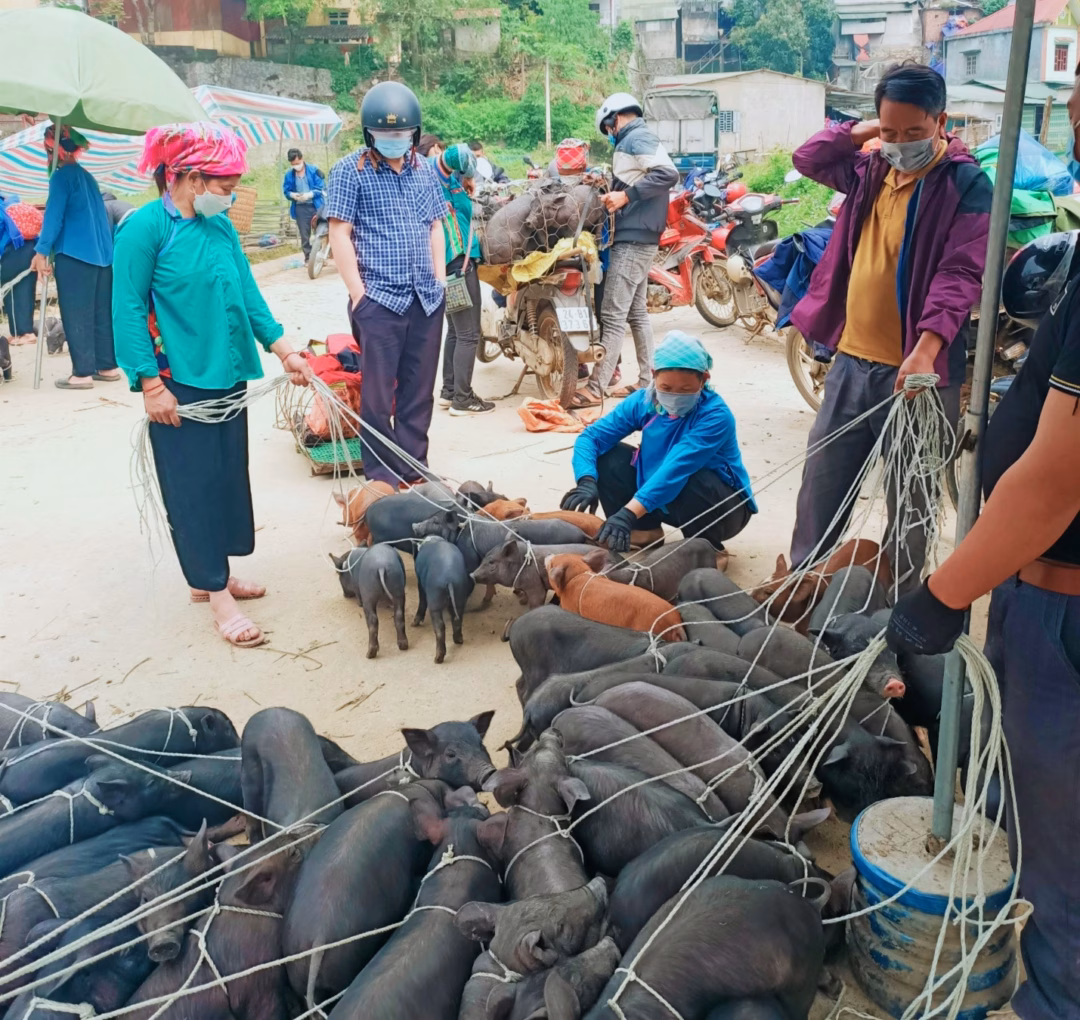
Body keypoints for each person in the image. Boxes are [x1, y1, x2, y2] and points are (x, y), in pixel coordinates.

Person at [886, 232, 1080, 1020]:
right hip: (1038, 591)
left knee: (1055, 848)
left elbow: (1060, 477)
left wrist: (943, 593)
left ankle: (1054, 999)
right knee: (1012, 807)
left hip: (1061, 606)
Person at [787, 62, 991, 591]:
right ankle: (803, 593)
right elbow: (808, 157)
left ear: (941, 121)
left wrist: (925, 350)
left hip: (918, 376)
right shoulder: (871, 169)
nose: (902, 144)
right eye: (891, 132)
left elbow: (961, 272)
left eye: (914, 133)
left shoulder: (965, 184)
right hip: (852, 363)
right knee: (821, 490)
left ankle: (896, 614)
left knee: (912, 506)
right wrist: (868, 132)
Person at [113, 123, 312, 649]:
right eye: (226, 186)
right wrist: (151, 385)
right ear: (192, 179)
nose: (232, 195)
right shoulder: (145, 230)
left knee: (225, 476)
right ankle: (214, 593)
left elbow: (247, 291)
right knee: (192, 487)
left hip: (225, 372)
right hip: (178, 382)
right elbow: (128, 309)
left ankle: (216, 574)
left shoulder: (220, 228)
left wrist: (284, 348)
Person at [326, 81, 447, 489]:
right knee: (377, 396)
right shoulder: (349, 171)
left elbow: (435, 226)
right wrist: (360, 296)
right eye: (385, 135)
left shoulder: (425, 170)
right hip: (379, 300)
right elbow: (339, 234)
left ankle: (414, 469)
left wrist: (439, 280)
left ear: (413, 134)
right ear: (369, 135)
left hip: (425, 300)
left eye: (401, 135)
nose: (394, 141)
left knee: (419, 391)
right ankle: (381, 477)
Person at [561, 331, 755, 561]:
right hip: (663, 501)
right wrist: (586, 480)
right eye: (666, 388)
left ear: (704, 379)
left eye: (685, 390)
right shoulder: (643, 401)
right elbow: (590, 438)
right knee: (608, 457)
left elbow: (676, 468)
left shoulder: (716, 416)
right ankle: (644, 530)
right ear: (653, 375)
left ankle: (707, 550)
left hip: (721, 509)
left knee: (693, 477)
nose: (674, 396)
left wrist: (626, 513)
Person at [572, 93, 679, 408]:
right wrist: (611, 186)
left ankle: (596, 387)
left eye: (607, 129)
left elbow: (667, 174)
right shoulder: (634, 141)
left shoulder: (636, 137)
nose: (609, 135)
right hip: (641, 235)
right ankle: (648, 381)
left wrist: (626, 196)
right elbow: (638, 177)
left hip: (633, 238)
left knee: (613, 314)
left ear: (613, 119)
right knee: (636, 313)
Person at [31, 125, 119, 390]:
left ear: (51, 149)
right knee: (101, 313)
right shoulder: (86, 176)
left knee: (76, 313)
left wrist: (41, 251)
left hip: (76, 255)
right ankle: (107, 366)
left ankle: (81, 374)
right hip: (103, 257)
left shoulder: (61, 177)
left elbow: (53, 216)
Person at [432, 143, 493, 416]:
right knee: (469, 335)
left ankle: (449, 392)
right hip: (459, 265)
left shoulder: (449, 182)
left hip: (451, 267)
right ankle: (463, 400)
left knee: (457, 332)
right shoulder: (437, 185)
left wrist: (465, 185)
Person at [0, 192, 38, 349]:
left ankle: (25, 333)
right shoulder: (16, 204)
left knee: (11, 290)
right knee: (26, 290)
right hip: (31, 249)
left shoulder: (3, 209)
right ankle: (20, 332)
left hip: (13, 250)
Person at [282, 147, 325, 260]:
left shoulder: (314, 171)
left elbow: (321, 188)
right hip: (300, 207)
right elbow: (286, 191)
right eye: (293, 164)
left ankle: (320, 256)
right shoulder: (289, 175)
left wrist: (309, 195)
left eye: (298, 163)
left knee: (320, 232)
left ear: (302, 159)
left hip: (316, 205)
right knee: (304, 234)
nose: (296, 165)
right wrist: (292, 195)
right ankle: (308, 257)